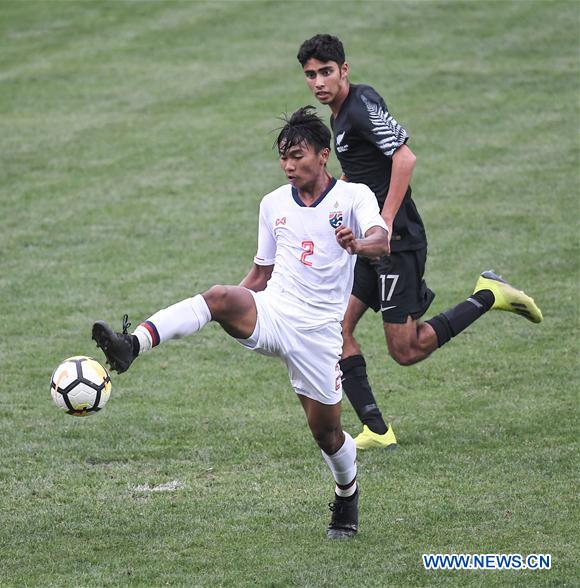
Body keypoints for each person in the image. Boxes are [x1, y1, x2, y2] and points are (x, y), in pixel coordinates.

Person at [93, 107, 390, 539]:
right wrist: (226, 308)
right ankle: (132, 344)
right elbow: (260, 274)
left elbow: (381, 242)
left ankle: (347, 493)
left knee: (327, 435)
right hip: (275, 311)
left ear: (323, 155)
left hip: (319, 334)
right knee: (219, 295)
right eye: (283, 157)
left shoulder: (353, 196)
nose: (289, 166)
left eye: (298, 156)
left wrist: (358, 244)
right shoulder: (273, 204)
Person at [296, 34, 543, 450]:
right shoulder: (340, 115)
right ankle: (377, 430)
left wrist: (386, 221)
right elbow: (360, 173)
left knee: (406, 350)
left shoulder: (359, 107)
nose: (318, 82)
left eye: (326, 72)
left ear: (344, 70)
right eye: (310, 74)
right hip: (369, 245)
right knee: (336, 331)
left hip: (396, 242)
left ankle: (488, 295)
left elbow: (404, 158)